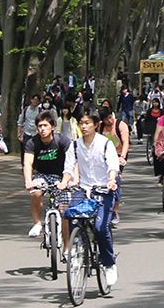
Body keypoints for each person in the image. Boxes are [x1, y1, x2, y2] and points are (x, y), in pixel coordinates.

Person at [62, 111, 121, 289]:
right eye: (81, 123)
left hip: (104, 189)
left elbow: (112, 165)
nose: (84, 126)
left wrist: (111, 180)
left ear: (95, 124)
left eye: (87, 123)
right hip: (84, 189)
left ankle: (109, 263)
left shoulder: (105, 144)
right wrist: (64, 182)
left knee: (100, 227)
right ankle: (77, 250)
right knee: (71, 216)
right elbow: (68, 168)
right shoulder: (74, 146)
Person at [21, 111, 66, 238]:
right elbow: (28, 163)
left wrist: (69, 180)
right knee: (36, 193)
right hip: (42, 175)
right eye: (40, 126)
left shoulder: (61, 140)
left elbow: (72, 160)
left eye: (45, 125)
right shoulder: (32, 143)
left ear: (52, 127)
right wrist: (28, 181)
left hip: (60, 176)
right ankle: (37, 224)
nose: (42, 129)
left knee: (64, 206)